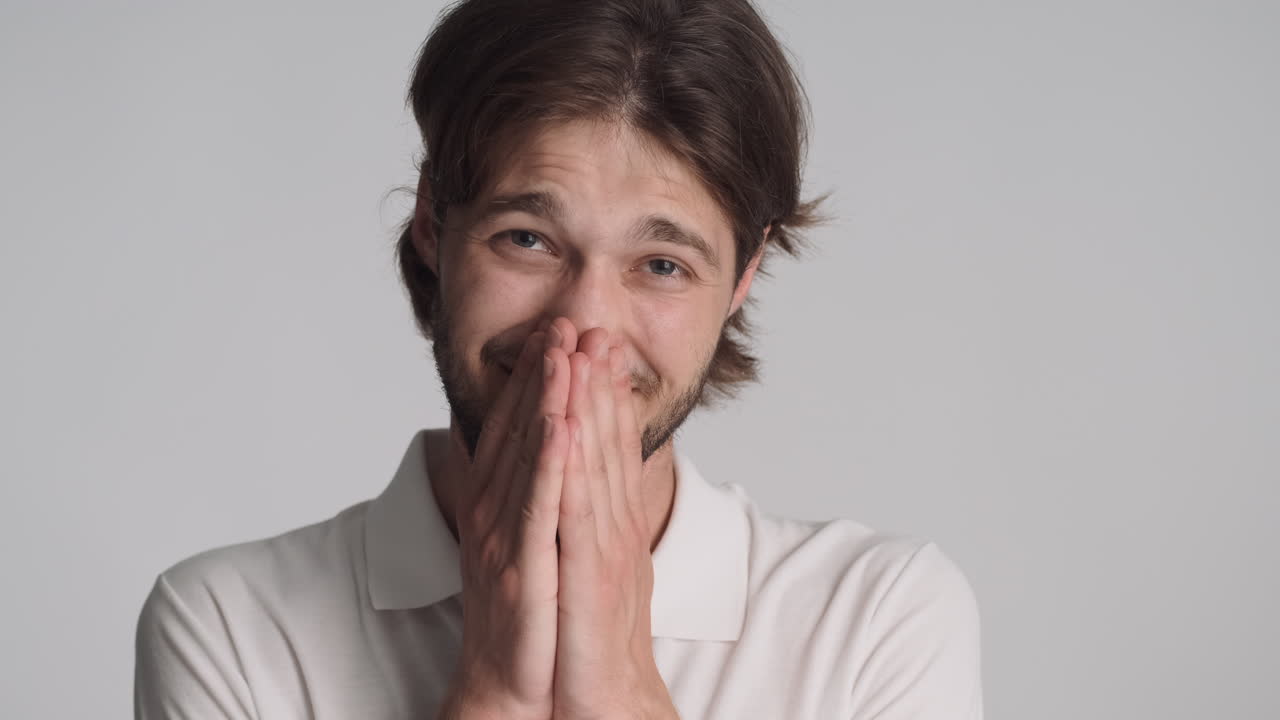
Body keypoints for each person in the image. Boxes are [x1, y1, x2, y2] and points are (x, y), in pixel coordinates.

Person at [134, 0, 984, 718]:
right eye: (528, 240)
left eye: (661, 266)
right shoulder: (229, 623)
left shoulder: (880, 619)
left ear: (742, 280)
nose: (579, 328)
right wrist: (494, 691)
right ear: (435, 227)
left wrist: (618, 689)